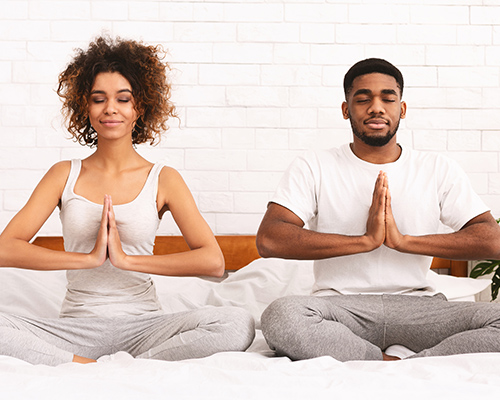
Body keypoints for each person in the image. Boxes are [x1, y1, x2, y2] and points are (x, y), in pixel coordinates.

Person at [0, 35, 254, 366]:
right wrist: (89, 259)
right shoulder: (63, 174)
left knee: (237, 323)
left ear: (140, 107)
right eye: (98, 99)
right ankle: (88, 365)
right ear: (85, 107)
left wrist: (126, 261)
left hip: (144, 327)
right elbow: (5, 249)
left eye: (123, 99)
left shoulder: (163, 178)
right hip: (75, 329)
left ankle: (127, 365)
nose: (110, 109)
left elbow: (212, 261)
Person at [256, 58, 500, 362]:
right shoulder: (313, 166)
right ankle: (387, 362)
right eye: (363, 99)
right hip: (339, 308)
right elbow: (269, 239)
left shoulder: (436, 168)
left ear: (402, 109)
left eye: (388, 98)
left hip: (419, 308)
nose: (376, 107)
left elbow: (492, 240)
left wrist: (402, 241)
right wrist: (364, 242)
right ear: (346, 110)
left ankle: (408, 364)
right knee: (281, 316)